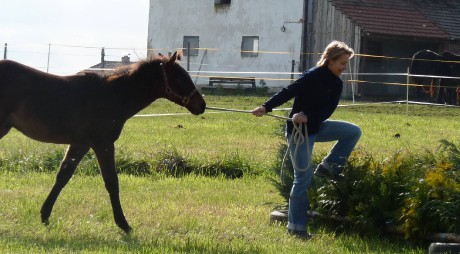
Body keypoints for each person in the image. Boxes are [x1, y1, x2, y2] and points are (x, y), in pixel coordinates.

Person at [252, 40, 362, 238]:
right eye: (342, 63)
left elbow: (328, 109)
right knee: (302, 178)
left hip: (316, 126)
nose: (344, 67)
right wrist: (266, 107)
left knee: (353, 132)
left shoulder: (337, 83)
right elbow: (288, 92)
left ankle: (329, 168)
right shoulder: (312, 76)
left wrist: (309, 117)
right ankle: (296, 228)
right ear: (331, 60)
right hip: (298, 132)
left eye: (346, 63)